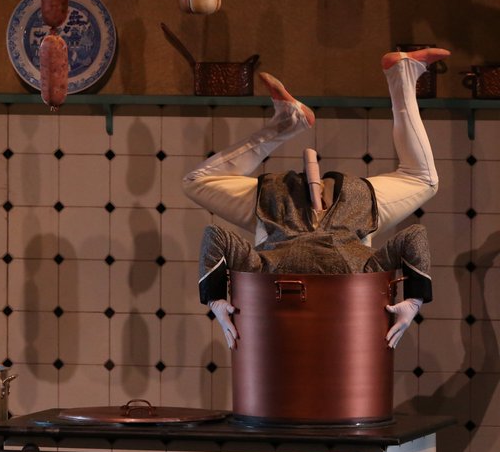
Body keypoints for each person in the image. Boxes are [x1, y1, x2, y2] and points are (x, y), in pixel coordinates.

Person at [183, 48, 449, 350]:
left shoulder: (358, 276)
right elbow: (215, 236)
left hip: (337, 206)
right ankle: (288, 122)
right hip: (282, 205)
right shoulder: (272, 277)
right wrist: (215, 300)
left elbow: (414, 236)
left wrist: (414, 299)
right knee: (197, 182)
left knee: (422, 179)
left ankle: (401, 74)